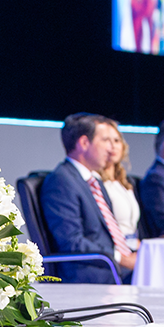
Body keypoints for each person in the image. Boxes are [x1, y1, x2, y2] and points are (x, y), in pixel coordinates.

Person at [40, 113, 136, 284]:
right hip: (90, 275)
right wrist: (120, 258)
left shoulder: (93, 181)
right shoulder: (61, 181)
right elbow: (71, 242)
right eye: (105, 140)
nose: (111, 148)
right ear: (84, 143)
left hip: (110, 269)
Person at [101, 127, 141, 248]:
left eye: (117, 140)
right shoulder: (95, 183)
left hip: (133, 247)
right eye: (106, 140)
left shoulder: (125, 184)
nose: (113, 145)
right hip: (114, 251)